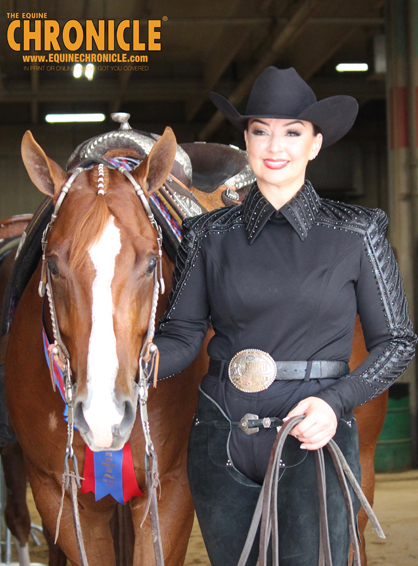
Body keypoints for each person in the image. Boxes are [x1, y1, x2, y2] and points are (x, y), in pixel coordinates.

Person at [153, 67, 417, 566]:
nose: (275, 145)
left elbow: (397, 342)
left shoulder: (357, 232)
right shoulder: (207, 235)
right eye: (260, 130)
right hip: (222, 436)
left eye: (292, 131)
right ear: (247, 140)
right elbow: (184, 334)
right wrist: (138, 363)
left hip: (315, 434)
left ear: (315, 144)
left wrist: (334, 403)